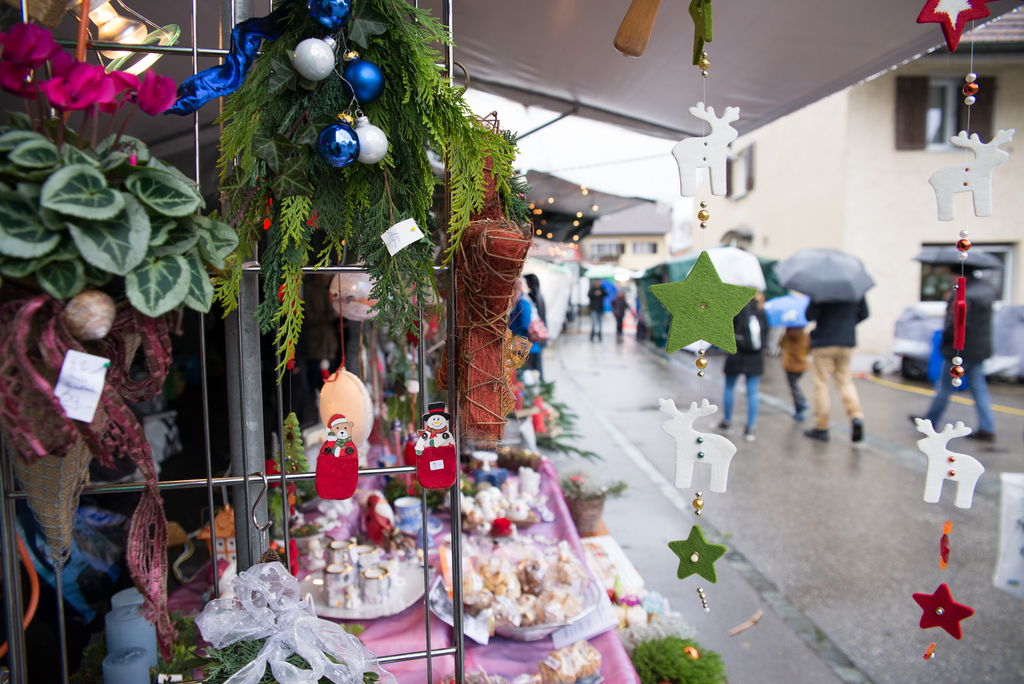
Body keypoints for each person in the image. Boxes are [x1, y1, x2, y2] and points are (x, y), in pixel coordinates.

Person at [915, 271, 997, 441]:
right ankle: (987, 427)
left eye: (952, 275)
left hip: (960, 350)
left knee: (945, 386)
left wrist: (945, 340)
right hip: (979, 348)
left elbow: (957, 323)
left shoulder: (962, 294)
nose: (950, 279)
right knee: (978, 388)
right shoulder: (987, 291)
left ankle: (930, 420)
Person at [803, 297, 868, 442]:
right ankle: (856, 416)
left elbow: (809, 316)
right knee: (845, 381)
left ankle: (821, 427)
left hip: (824, 341)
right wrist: (847, 324)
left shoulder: (821, 288)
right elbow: (864, 313)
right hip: (846, 340)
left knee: (821, 384)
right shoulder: (853, 287)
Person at [718, 295, 769, 441]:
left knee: (729, 387)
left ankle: (727, 422)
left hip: (736, 353)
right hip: (756, 357)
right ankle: (750, 428)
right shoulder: (761, 310)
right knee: (753, 392)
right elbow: (766, 333)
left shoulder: (735, 307)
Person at [509, 280, 541, 376]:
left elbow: (525, 324)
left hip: (525, 345)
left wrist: (513, 330)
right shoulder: (520, 300)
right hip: (524, 344)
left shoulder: (522, 301)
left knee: (527, 373)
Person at [779, 326, 810, 422]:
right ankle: (802, 401)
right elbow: (809, 348)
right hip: (802, 365)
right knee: (796, 385)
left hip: (790, 365)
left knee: (794, 387)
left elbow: (781, 345)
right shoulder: (805, 335)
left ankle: (799, 410)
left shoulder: (787, 335)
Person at [524, 274, 547, 379]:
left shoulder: (534, 296)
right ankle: (539, 382)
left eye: (527, 281)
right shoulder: (538, 295)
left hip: (535, 335)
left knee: (535, 361)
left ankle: (538, 383)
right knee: (536, 361)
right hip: (538, 333)